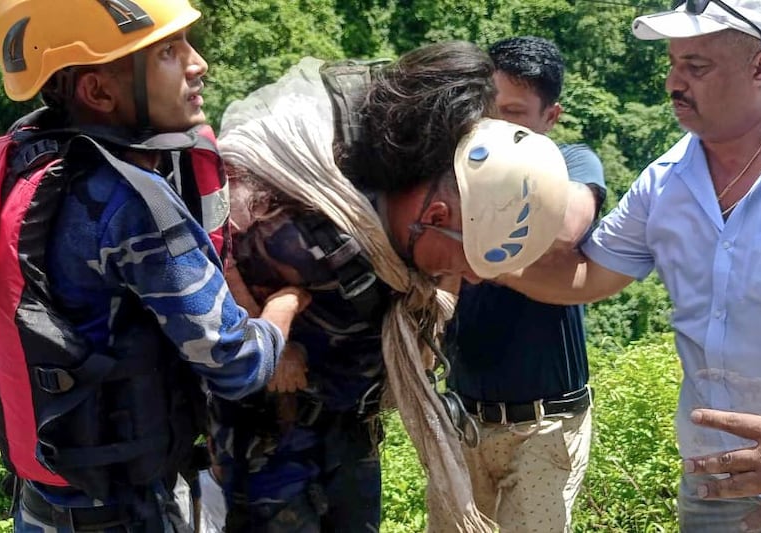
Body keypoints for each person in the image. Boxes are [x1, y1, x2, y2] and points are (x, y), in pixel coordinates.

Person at [208, 42, 572, 532]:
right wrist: (264, 330)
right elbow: (209, 253)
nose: (466, 278)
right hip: (269, 441)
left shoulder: (411, 213)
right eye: (466, 261)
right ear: (437, 217)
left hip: (350, 427)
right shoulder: (303, 233)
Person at [0, 0, 308, 530]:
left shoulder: (25, 161)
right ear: (98, 91)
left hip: (42, 498)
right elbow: (234, 363)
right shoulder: (131, 204)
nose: (198, 63)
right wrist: (283, 309)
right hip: (124, 512)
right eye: (169, 50)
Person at [499, 0, 761, 531]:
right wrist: (480, 258)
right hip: (717, 484)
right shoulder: (666, 182)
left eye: (696, 67)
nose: (672, 83)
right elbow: (589, 275)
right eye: (672, 63)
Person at [427, 36, 606, 533]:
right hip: (463, 417)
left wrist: (464, 245)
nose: (495, 125)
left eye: (513, 111)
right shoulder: (455, 169)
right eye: (487, 109)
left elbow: (567, 227)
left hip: (545, 424)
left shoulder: (572, 161)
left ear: (551, 117)